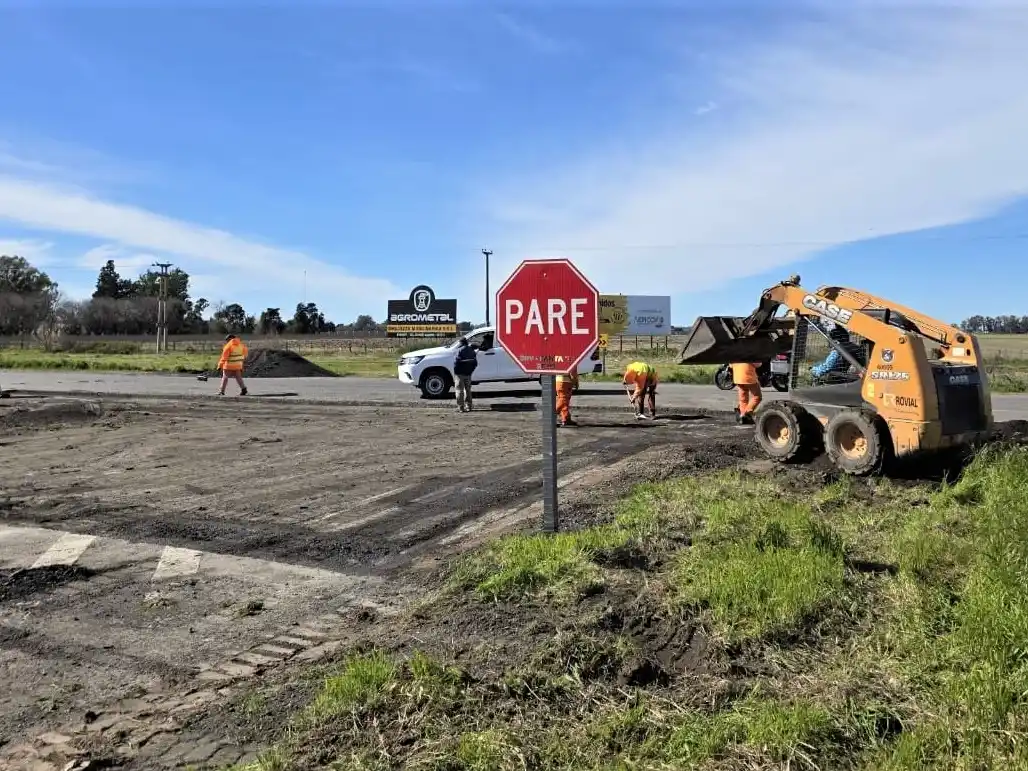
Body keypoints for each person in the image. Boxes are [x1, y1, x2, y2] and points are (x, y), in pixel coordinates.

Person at [453, 337, 478, 412]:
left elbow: (456, 362)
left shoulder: (459, 350)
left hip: (460, 374)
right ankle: (469, 407)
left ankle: (461, 407)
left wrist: (456, 371)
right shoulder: (472, 351)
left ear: (461, 343)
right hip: (468, 373)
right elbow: (475, 363)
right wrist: (470, 371)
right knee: (468, 390)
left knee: (459, 390)